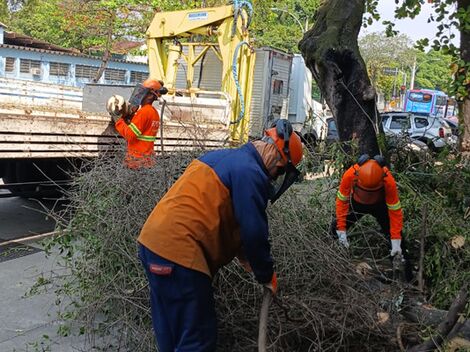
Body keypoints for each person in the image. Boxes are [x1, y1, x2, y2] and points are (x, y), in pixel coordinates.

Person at [137, 119, 303, 351]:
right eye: (280, 170)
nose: (274, 177)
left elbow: (222, 216)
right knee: (198, 340)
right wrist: (265, 272)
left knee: (171, 333)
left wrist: (251, 264)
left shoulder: (222, 158)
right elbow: (253, 231)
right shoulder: (250, 172)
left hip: (152, 245)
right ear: (275, 153)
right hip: (181, 254)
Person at [331, 154, 412, 280]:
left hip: (380, 206)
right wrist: (341, 231)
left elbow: (395, 212)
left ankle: (406, 278)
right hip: (356, 204)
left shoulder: (388, 180)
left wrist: (396, 240)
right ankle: (331, 265)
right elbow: (342, 202)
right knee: (334, 230)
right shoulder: (350, 174)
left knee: (399, 244)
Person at [114, 79, 164, 169]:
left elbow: (130, 135)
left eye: (142, 92)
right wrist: (131, 117)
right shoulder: (153, 112)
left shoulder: (144, 112)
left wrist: (118, 120)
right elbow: (141, 129)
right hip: (147, 160)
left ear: (150, 95)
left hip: (137, 161)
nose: (138, 95)